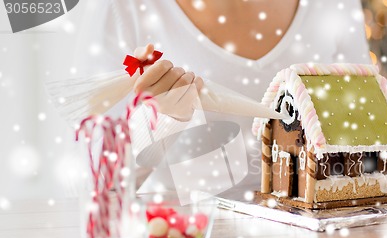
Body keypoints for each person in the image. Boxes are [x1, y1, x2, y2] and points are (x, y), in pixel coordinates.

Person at [75, 0, 371, 195]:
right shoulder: (122, 8)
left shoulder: (334, 6)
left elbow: (363, 144)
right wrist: (156, 125)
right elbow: (102, 187)